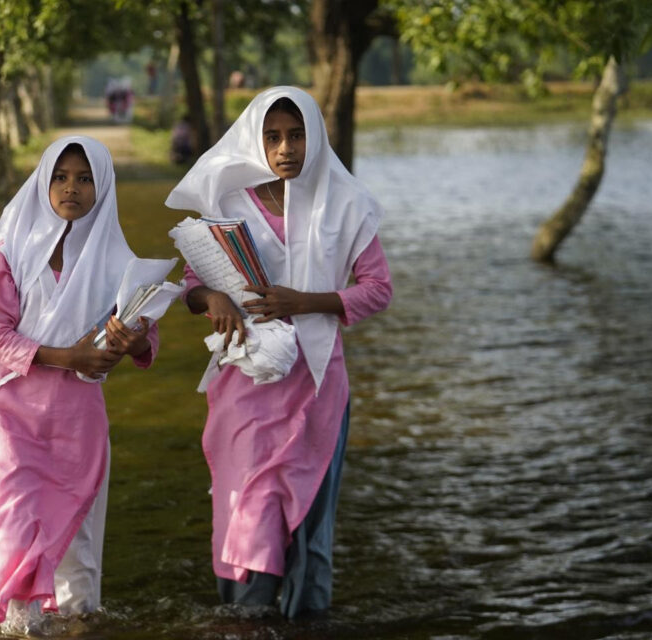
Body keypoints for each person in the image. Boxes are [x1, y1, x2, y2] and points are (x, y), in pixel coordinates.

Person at [164, 86, 392, 618]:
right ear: (256, 142)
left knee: (310, 518)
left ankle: (307, 621)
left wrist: (304, 301)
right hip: (246, 381)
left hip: (316, 385)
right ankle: (246, 619)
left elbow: (378, 288)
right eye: (273, 137)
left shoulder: (346, 204)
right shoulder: (229, 206)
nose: (285, 147)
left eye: (296, 135)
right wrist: (212, 298)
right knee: (246, 507)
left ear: (313, 138)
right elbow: (191, 286)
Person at [0, 136, 159, 633]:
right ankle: (9, 625)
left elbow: (145, 340)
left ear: (103, 188)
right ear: (44, 182)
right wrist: (66, 356)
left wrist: (128, 341)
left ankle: (76, 625)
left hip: (79, 424)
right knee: (10, 532)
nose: (72, 187)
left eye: (86, 178)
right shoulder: (14, 253)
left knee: (78, 553)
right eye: (61, 176)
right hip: (13, 418)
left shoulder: (120, 263)